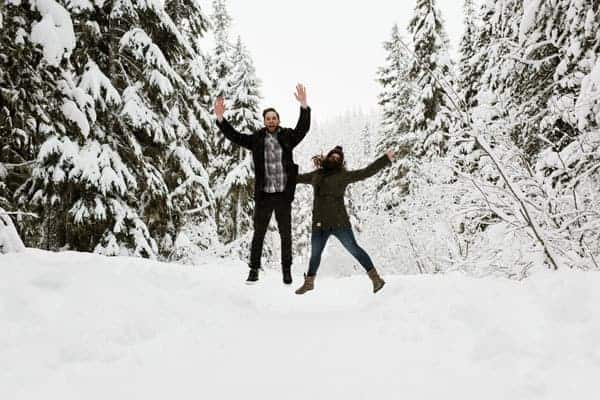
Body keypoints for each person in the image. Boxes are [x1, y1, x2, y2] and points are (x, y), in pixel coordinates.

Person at [214, 84, 310, 285]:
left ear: (278, 120)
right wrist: (221, 119)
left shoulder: (287, 137)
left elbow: (303, 129)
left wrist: (303, 106)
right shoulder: (256, 139)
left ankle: (286, 271)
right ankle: (254, 270)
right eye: (268, 118)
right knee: (259, 233)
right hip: (264, 195)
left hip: (283, 194)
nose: (271, 121)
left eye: (274, 118)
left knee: (286, 235)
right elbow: (235, 136)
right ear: (264, 121)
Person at [294, 146, 395, 294]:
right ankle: (309, 282)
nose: (334, 159)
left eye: (338, 158)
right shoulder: (317, 175)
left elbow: (365, 172)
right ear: (327, 157)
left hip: (339, 223)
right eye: (332, 156)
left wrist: (384, 159)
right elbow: (296, 178)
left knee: (354, 249)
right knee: (315, 253)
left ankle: (376, 279)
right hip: (319, 224)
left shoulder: (343, 175)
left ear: (341, 162)